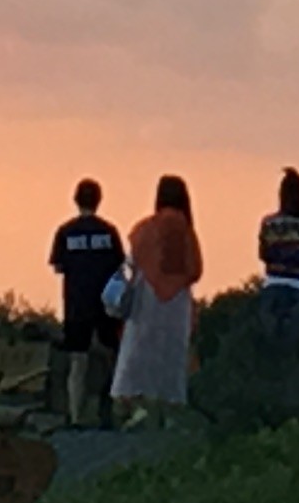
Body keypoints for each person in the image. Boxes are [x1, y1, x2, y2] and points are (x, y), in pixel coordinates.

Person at [112, 175, 203, 420]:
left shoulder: (145, 229)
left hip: (146, 299)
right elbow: (195, 270)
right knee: (172, 355)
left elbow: (131, 264)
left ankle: (136, 407)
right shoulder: (186, 231)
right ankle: (170, 413)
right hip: (178, 305)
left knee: (139, 353)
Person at [45, 179, 126, 429]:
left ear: (75, 200)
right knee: (111, 357)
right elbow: (120, 267)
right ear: (99, 200)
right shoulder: (109, 232)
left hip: (76, 305)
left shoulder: (65, 232)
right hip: (105, 305)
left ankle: (76, 415)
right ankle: (111, 409)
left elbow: (58, 267)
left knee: (77, 362)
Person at [254, 169, 299, 344]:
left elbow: (263, 255)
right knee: (297, 344)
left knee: (269, 343)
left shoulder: (270, 223)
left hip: (273, 286)